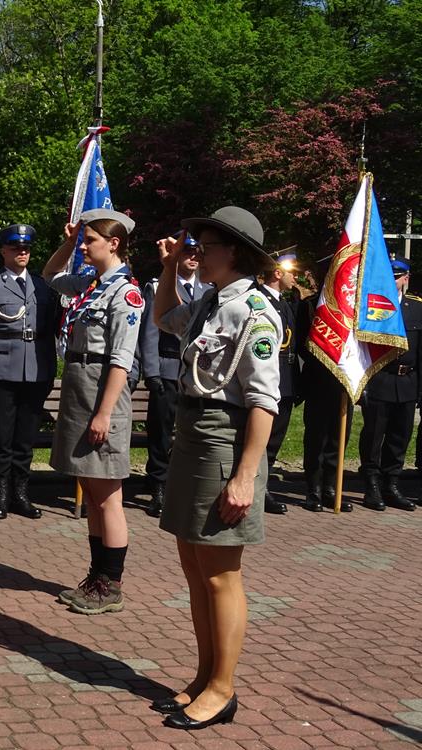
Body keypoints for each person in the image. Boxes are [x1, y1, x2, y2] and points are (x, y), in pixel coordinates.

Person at [151, 206, 282, 730]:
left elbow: (263, 402)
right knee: (194, 567)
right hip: (192, 435)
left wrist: (245, 476)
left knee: (222, 573)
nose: (196, 252)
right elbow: (163, 319)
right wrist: (167, 270)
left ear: (237, 252)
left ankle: (223, 689)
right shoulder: (208, 300)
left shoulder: (254, 311)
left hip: (225, 443)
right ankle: (205, 675)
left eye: (206, 245)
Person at [45, 209, 142, 615]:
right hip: (80, 385)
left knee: (108, 496)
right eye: (82, 241)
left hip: (103, 390)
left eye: (89, 240)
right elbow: (50, 277)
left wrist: (104, 414)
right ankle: (96, 576)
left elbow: (121, 359)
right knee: (92, 488)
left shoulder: (126, 293)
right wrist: (67, 243)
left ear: (114, 243)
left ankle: (111, 584)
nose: (83, 247)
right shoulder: (90, 282)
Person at [0, 223, 58, 520]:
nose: (22, 252)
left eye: (26, 248)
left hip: (36, 370)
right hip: (1, 370)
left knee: (25, 437)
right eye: (16, 248)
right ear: (4, 250)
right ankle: (0, 494)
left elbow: (52, 328)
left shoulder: (44, 285)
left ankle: (21, 493)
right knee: (2, 437)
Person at [140, 233, 208, 518]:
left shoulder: (208, 292)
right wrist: (152, 372)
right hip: (167, 369)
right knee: (161, 432)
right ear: (177, 256)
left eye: (197, 254)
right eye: (187, 253)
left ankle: (183, 485)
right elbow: (150, 332)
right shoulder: (159, 288)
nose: (192, 258)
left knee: (190, 431)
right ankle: (158, 486)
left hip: (196, 374)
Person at [358, 255, 419, 512]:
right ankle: (371, 483)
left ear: (406, 278)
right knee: (373, 435)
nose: (393, 282)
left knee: (400, 436)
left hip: (407, 381)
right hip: (380, 378)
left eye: (398, 277)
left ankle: (391, 483)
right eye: (389, 277)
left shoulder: (416, 307)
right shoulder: (373, 306)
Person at [297, 256, 354, 513]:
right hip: (318, 381)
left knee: (338, 437)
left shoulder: (353, 310)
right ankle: (313, 489)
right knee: (316, 437)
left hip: (344, 382)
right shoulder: (310, 307)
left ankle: (332, 487)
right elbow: (300, 343)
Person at [260, 249, 301, 515]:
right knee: (260, 439)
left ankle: (263, 484)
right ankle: (257, 489)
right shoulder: (260, 300)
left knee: (274, 440)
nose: (295, 278)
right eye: (292, 273)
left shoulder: (285, 303)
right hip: (266, 381)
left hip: (284, 382)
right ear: (277, 273)